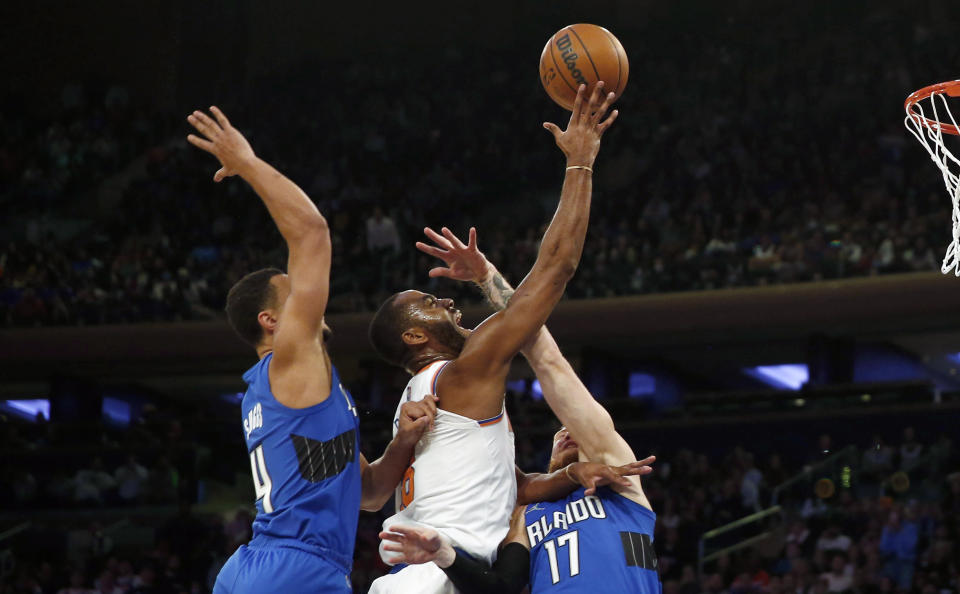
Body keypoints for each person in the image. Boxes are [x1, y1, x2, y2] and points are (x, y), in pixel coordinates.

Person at [366, 83, 619, 593]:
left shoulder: (416, 400)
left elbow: (506, 490)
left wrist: (570, 476)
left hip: (426, 576)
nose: (448, 302)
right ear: (415, 336)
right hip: (434, 580)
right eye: (430, 302)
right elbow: (556, 269)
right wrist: (580, 163)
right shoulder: (466, 371)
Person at [185, 106, 437, 593]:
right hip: (295, 569)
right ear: (271, 322)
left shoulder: (288, 392)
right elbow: (312, 233)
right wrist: (248, 161)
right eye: (293, 294)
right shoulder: (290, 359)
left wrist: (403, 442)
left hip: (255, 569)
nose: (311, 300)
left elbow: (368, 493)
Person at [379, 226, 662, 593]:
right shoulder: (518, 516)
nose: (569, 433)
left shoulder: (619, 479)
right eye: (560, 434)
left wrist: (485, 274)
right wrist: (571, 473)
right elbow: (502, 585)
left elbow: (547, 358)